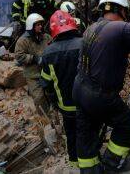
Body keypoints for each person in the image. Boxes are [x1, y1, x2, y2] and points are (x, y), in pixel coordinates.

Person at [73, 0, 130, 173]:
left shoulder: (91, 28)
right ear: (122, 11)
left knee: (87, 130)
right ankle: (112, 164)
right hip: (99, 94)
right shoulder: (122, 28)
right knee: (127, 124)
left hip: (79, 88)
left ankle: (89, 170)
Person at [40, 10, 81, 168]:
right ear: (73, 24)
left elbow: (46, 82)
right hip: (88, 102)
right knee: (88, 130)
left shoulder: (48, 53)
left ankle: (74, 163)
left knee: (71, 134)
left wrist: (53, 102)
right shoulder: (84, 43)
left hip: (66, 105)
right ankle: (93, 158)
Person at [15, 13, 51, 115]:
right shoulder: (23, 41)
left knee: (50, 94)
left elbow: (53, 47)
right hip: (33, 74)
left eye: (41, 24)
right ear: (31, 26)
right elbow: (18, 55)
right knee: (39, 97)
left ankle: (53, 113)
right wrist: (33, 58)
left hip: (47, 72)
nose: (40, 26)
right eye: (37, 24)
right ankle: (45, 118)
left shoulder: (46, 37)